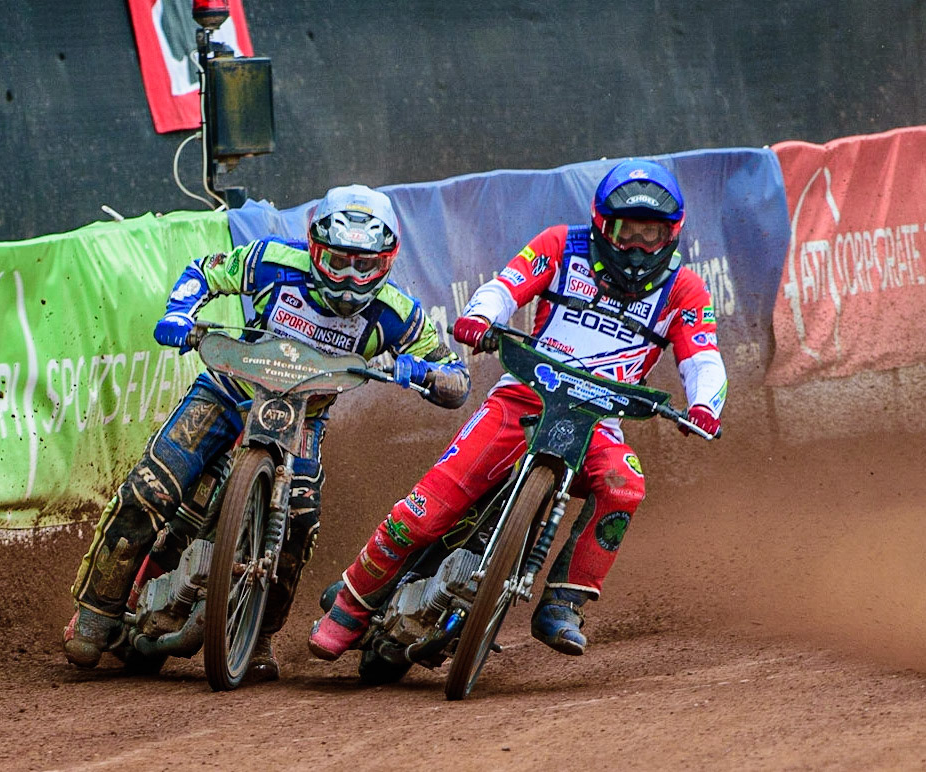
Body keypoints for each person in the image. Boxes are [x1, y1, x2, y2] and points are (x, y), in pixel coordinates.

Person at [309, 159, 727, 659]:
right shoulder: (560, 245)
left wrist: (705, 404)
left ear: (672, 235)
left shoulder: (684, 289)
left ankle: (563, 601)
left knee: (626, 484)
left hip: (598, 420)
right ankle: (351, 606)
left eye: (651, 234)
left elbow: (703, 356)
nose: (637, 247)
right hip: (525, 395)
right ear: (600, 225)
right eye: (624, 232)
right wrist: (481, 317)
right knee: (426, 510)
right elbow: (504, 287)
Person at [64, 184, 471, 678]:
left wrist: (427, 375)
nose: (348, 277)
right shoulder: (270, 260)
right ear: (315, 247)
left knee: (299, 522)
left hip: (301, 415)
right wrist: (179, 312)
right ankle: (95, 613)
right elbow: (204, 272)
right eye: (339, 260)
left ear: (387, 261)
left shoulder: (396, 312)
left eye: (364, 265)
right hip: (228, 387)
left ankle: (258, 637)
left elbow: (457, 377)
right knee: (152, 485)